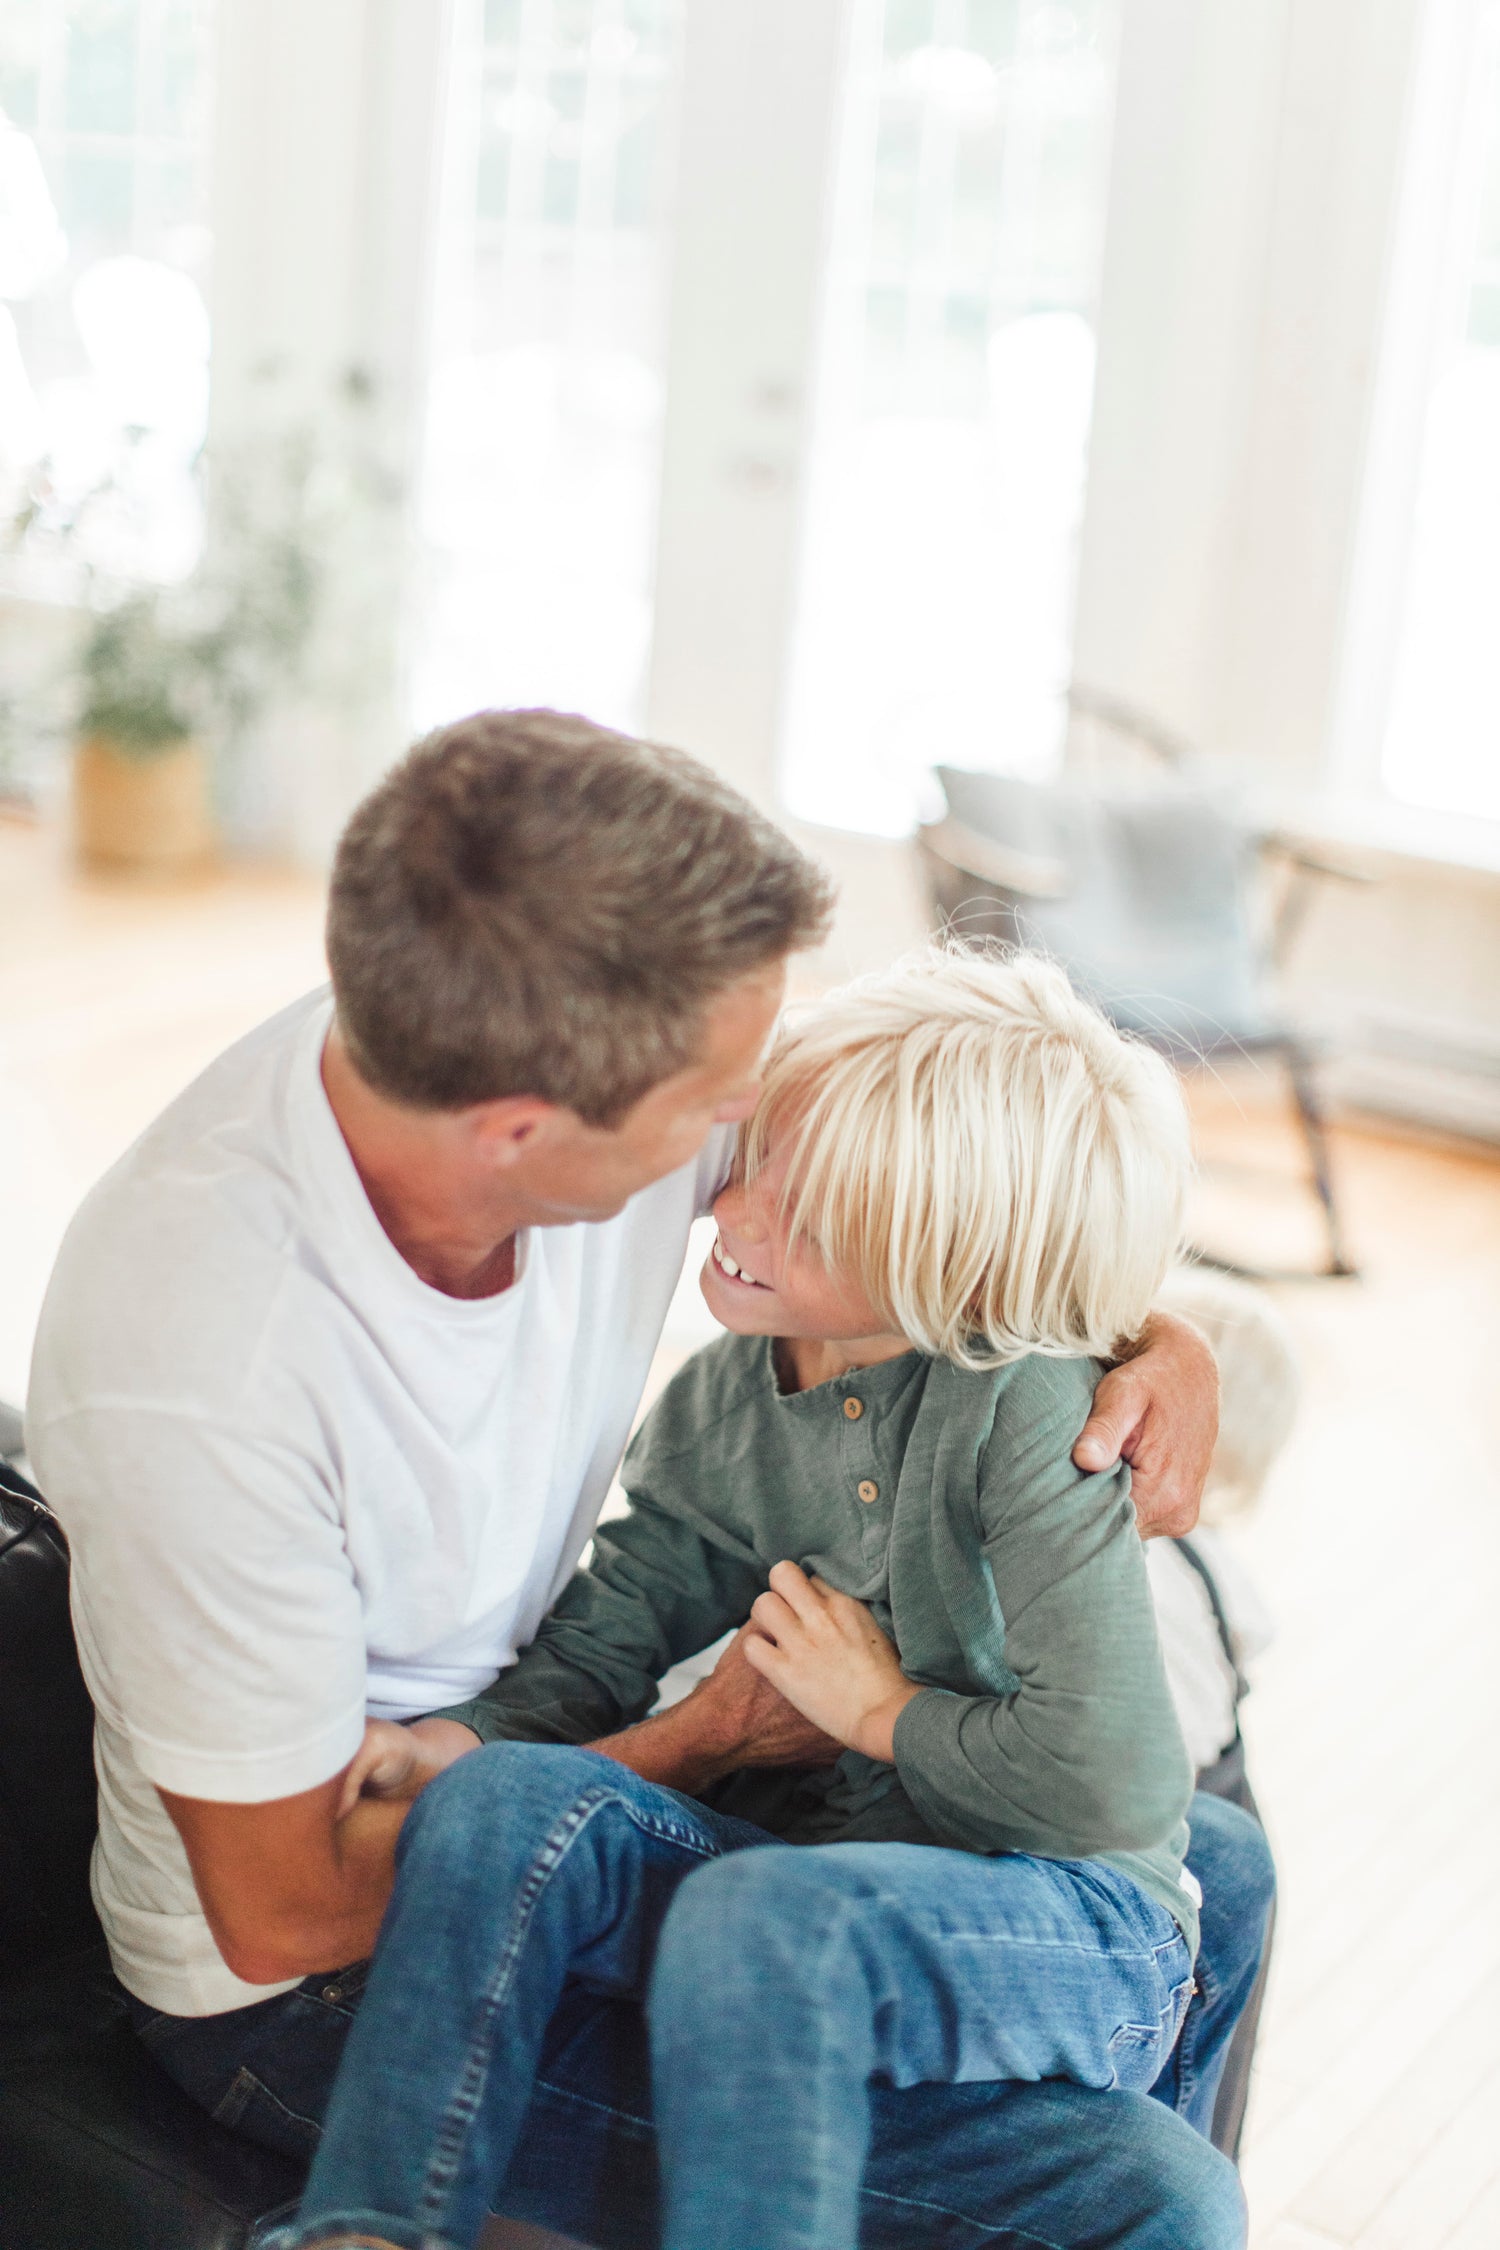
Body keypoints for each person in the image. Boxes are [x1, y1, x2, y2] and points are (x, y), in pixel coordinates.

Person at [27, 710, 1241, 2247]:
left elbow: (947, 1173)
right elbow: (286, 1908)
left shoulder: (570, 1068)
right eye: (726, 1111)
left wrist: (1149, 1329)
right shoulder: (201, 1361)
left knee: (1219, 1871)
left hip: (577, 1791)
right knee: (1146, 2189)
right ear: (526, 1131)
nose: (734, 1161)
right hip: (325, 1970)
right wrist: (699, 1738)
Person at [266, 947, 1221, 2250]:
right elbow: (614, 1625)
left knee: (767, 1921)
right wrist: (463, 1739)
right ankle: (367, 2230)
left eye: (809, 1216)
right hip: (819, 1895)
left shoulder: (1027, 1406)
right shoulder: (729, 1394)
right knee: (504, 1803)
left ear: (956, 1269)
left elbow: (1112, 1788)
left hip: (1065, 1923)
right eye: (757, 1158)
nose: (733, 1210)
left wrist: (879, 1714)